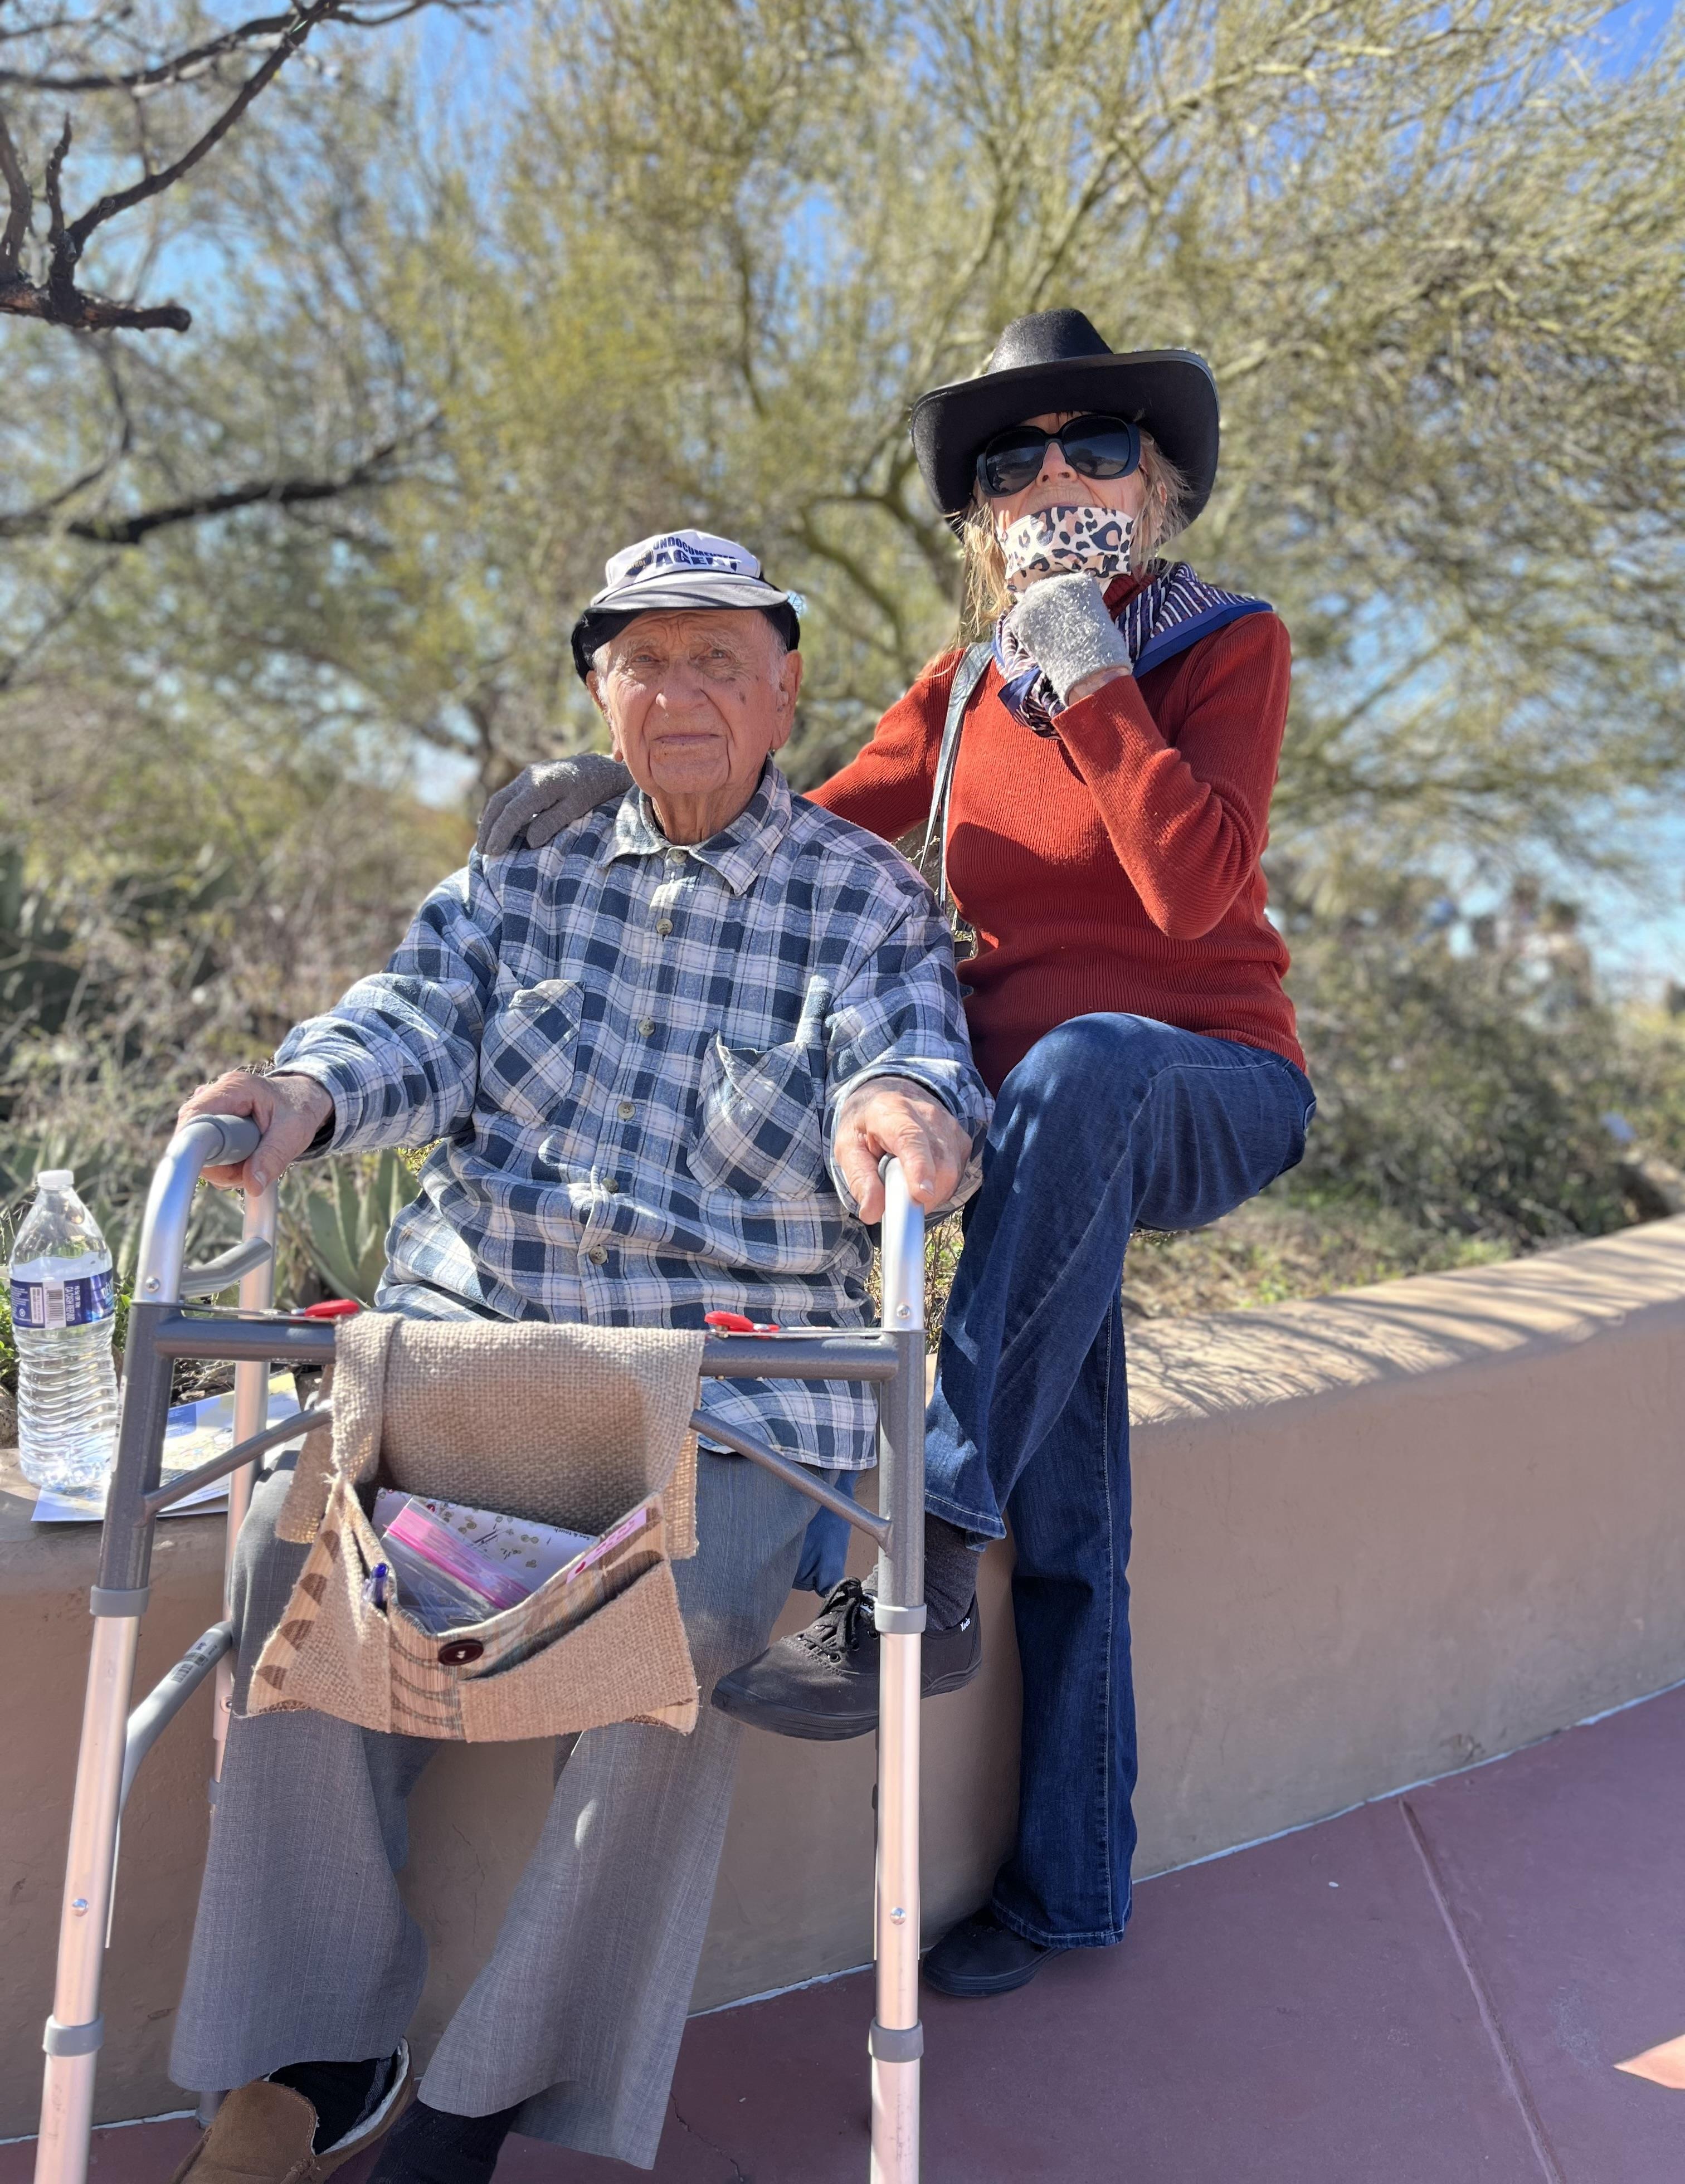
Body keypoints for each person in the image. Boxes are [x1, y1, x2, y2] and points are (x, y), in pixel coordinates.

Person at [479, 313, 1317, 2006]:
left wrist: (1091, 670)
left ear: (1156, 488)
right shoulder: (959, 692)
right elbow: (795, 840)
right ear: (979, 514)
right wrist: (612, 787)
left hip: (1200, 1081)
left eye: (1096, 449)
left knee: (1081, 1067)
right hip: (1037, 1146)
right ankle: (1070, 1889)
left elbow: (1192, 893)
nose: (1056, 479)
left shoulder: (1226, 643)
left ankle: (920, 1529)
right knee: (1069, 1505)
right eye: (1014, 461)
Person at [164, 528, 990, 2184]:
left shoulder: (863, 901)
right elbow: (408, 1022)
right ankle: (315, 2051)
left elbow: (907, 1060)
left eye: (717, 661)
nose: (679, 693)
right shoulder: (518, 877)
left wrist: (904, 1119)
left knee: (684, 1624)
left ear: (784, 691)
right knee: (287, 1560)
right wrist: (303, 1095)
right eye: (643, 662)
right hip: (479, 1342)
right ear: (601, 695)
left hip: (729, 1384)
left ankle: (486, 2097)